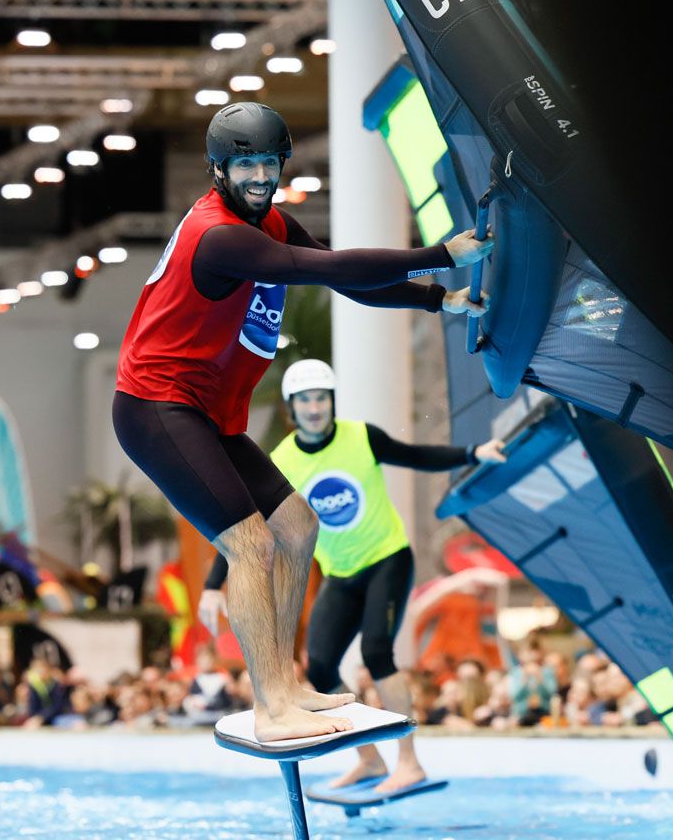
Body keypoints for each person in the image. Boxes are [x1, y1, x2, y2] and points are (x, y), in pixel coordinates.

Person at [113, 102, 493, 743]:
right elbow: (326, 270)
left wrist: (438, 298)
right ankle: (271, 706)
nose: (261, 176)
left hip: (208, 412)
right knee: (250, 544)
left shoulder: (270, 223)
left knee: (296, 525)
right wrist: (438, 255)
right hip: (157, 406)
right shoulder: (220, 236)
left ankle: (285, 686)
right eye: (246, 166)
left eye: (270, 162)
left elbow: (348, 279)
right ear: (218, 170)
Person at [200, 357, 506, 789]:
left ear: (332, 401)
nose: (314, 408)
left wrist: (474, 453)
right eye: (305, 400)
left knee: (377, 653)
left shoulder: (362, 437)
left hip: (387, 559)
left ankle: (410, 763)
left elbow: (415, 455)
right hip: (340, 575)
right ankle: (371, 760)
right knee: (321, 666)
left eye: (321, 398)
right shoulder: (281, 459)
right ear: (291, 407)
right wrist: (212, 585)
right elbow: (245, 523)